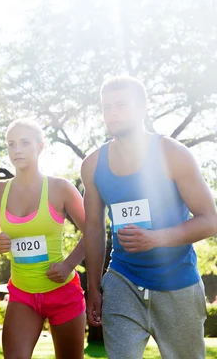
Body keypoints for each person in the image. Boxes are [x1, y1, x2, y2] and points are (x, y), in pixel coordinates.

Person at [81, 75, 217, 359]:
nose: (112, 113)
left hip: (177, 283)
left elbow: (209, 219)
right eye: (106, 107)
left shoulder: (173, 153)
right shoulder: (93, 164)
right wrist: (93, 287)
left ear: (142, 107)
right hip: (122, 280)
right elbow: (93, 228)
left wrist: (155, 239)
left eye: (120, 104)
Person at [0, 120, 86, 359]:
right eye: (11, 144)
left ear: (40, 147)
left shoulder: (60, 188)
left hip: (63, 292)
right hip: (23, 296)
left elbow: (93, 232)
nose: (17, 150)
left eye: (25, 143)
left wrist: (68, 265)